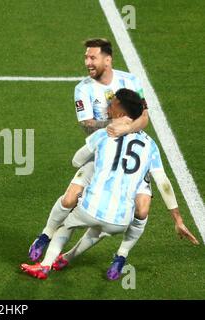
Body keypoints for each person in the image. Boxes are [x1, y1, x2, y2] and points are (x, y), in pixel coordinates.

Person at [28, 38, 197, 279]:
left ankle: (120, 256)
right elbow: (87, 125)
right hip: (102, 147)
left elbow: (144, 117)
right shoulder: (83, 88)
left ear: (108, 59)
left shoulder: (130, 80)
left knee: (142, 209)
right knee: (69, 199)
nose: (87, 62)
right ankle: (45, 235)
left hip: (127, 146)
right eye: (86, 57)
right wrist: (113, 125)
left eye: (92, 57)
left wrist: (126, 128)